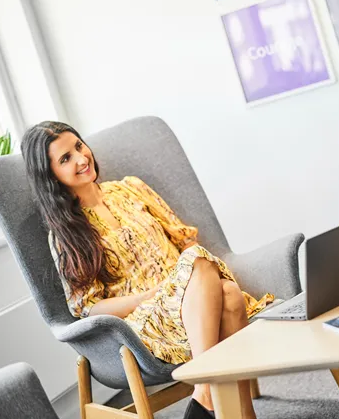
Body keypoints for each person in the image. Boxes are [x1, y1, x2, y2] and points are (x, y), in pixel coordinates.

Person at [21, 121, 269, 419]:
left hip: (192, 303)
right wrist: (156, 294)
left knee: (227, 292)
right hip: (144, 324)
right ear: (51, 177)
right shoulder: (65, 234)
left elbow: (185, 240)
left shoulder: (131, 188)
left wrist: (186, 286)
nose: (81, 158)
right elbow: (90, 307)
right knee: (216, 281)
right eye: (65, 158)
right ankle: (210, 396)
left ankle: (214, 401)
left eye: (78, 146)